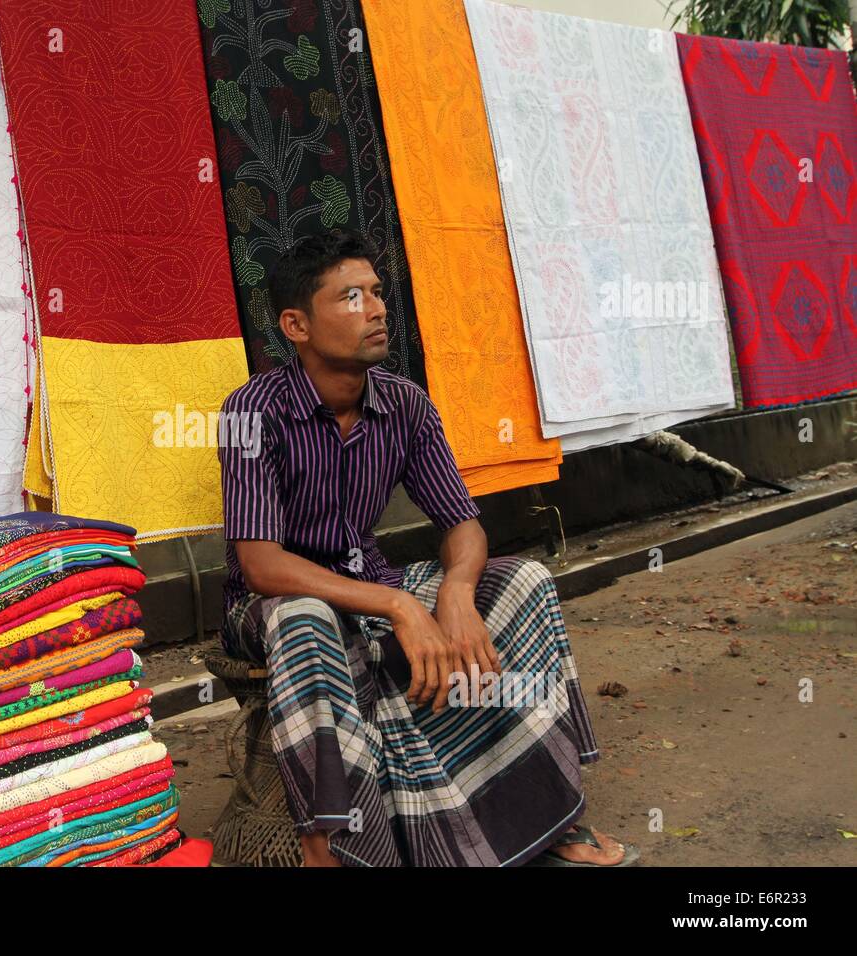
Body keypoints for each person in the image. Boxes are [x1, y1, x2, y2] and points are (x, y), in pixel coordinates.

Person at [216, 230, 638, 867]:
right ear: (296, 324)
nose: (378, 309)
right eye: (351, 297)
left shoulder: (406, 405)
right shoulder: (252, 412)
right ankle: (330, 847)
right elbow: (261, 563)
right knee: (304, 620)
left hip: (373, 579)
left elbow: (461, 523)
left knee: (522, 580)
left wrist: (457, 590)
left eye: (378, 293)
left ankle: (552, 812)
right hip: (272, 604)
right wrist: (400, 606)